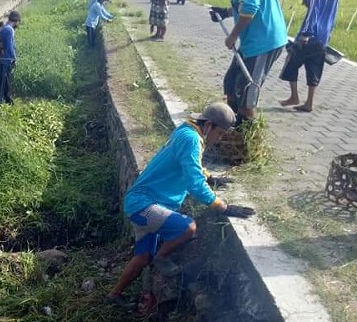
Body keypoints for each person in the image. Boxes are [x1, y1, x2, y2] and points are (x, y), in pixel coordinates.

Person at [105, 103, 255, 311]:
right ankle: (161, 257)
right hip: (145, 205)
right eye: (220, 133)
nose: (220, 139)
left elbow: (190, 164)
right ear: (208, 125)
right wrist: (222, 206)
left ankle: (114, 295)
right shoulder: (191, 139)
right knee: (187, 227)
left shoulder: (186, 131)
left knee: (142, 257)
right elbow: (194, 182)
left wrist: (210, 177)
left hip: (140, 203)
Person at [199, 0, 287, 123]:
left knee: (247, 92)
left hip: (263, 41)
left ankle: (244, 133)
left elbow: (250, 7)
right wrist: (226, 12)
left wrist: (232, 36)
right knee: (231, 82)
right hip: (253, 40)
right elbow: (245, 4)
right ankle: (229, 125)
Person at [279, 0, 342, 113]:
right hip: (324, 32)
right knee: (314, 64)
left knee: (291, 59)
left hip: (311, 31)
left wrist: (306, 32)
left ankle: (294, 96)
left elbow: (314, 5)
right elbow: (334, 5)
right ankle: (309, 102)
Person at [0, 10, 21, 105]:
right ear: (16, 21)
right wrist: (14, 58)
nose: (18, 24)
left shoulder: (2, 27)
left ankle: (7, 99)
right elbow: (10, 47)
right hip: (5, 60)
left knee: (4, 81)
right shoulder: (9, 30)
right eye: (18, 22)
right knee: (2, 82)